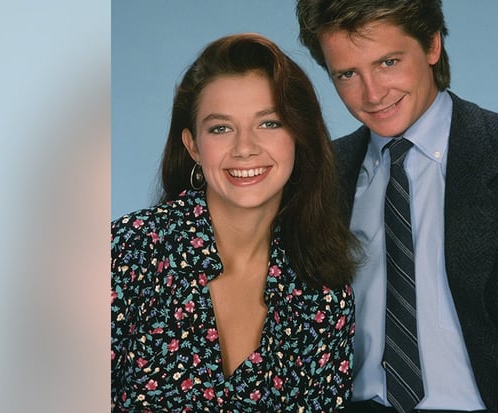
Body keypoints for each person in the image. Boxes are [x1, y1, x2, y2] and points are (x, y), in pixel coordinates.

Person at [296, 0, 498, 413]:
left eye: (388, 62)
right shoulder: (319, 178)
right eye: (347, 74)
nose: (372, 93)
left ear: (431, 44)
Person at [111, 33, 359, 412]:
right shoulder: (128, 252)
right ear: (193, 145)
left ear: (299, 137)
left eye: (269, 124)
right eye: (221, 128)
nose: (245, 147)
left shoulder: (322, 296)